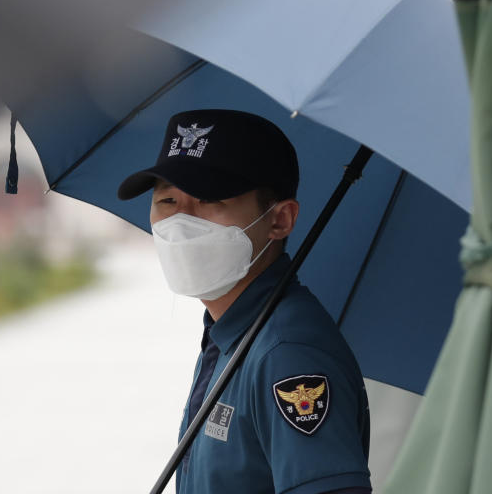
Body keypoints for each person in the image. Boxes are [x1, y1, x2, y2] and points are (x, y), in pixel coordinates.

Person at [118, 109, 371, 494]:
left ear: (280, 220)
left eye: (208, 200)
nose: (180, 223)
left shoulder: (287, 355)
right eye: (167, 201)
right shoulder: (229, 334)